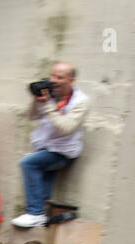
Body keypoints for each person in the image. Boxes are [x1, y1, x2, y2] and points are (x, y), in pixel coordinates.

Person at [12, 62, 89, 229]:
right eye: (52, 75)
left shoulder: (81, 101)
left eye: (59, 77)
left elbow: (65, 128)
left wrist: (48, 104)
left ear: (71, 80)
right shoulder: (51, 94)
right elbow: (32, 116)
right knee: (42, 188)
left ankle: (35, 213)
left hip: (63, 152)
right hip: (45, 146)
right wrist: (36, 100)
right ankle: (42, 214)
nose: (53, 80)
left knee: (28, 163)